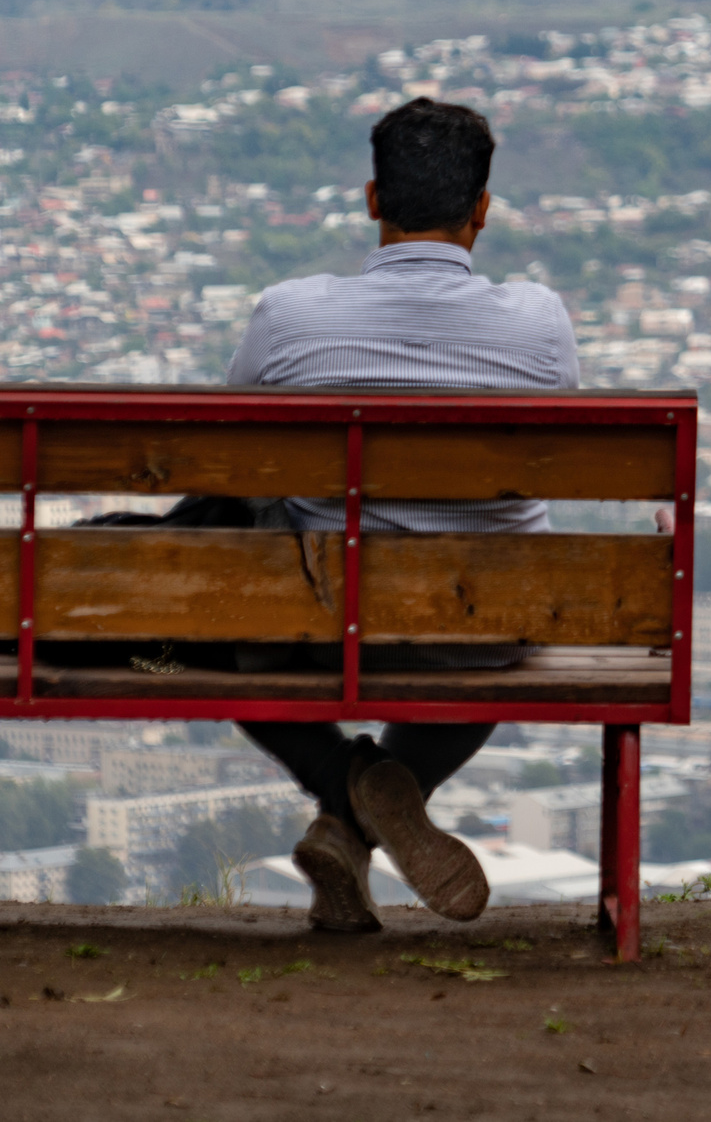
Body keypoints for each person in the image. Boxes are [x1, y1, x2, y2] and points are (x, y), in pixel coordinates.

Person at [228, 97, 579, 934]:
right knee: (486, 634)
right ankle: (368, 809)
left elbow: (229, 447)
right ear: (482, 211)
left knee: (222, 618)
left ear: (372, 199)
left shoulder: (289, 316)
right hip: (484, 626)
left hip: (324, 618)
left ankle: (347, 803)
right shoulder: (540, 322)